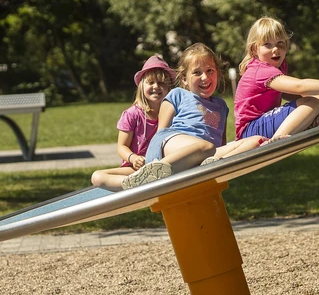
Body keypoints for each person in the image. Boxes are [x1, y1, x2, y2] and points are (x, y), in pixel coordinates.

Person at [121, 43, 263, 189]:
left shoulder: (221, 106)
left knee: (257, 141)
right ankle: (154, 171)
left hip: (207, 154)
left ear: (218, 73)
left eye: (210, 71)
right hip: (172, 147)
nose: (205, 77)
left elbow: (221, 142)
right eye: (197, 72)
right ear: (184, 79)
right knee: (205, 146)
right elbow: (160, 134)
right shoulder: (177, 95)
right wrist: (154, 159)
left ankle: (213, 165)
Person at [234, 16, 319, 141]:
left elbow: (285, 92)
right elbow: (300, 86)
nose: (275, 49)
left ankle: (313, 122)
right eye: (267, 44)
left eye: (280, 43)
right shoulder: (260, 70)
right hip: (250, 131)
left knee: (318, 100)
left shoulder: (278, 66)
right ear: (254, 49)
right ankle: (276, 141)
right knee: (316, 101)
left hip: (259, 125)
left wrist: (314, 100)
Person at [91, 55, 176, 190]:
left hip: (162, 167)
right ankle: (137, 184)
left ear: (169, 88)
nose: (156, 86)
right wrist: (133, 158)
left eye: (161, 83)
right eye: (150, 82)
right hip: (135, 169)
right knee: (97, 176)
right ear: (142, 86)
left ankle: (143, 184)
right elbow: (122, 147)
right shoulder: (132, 114)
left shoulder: (174, 113)